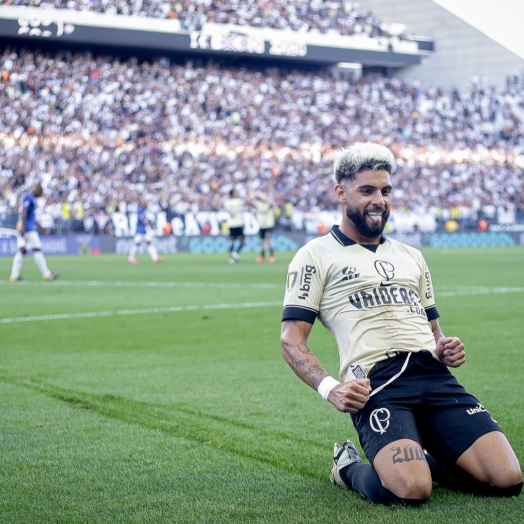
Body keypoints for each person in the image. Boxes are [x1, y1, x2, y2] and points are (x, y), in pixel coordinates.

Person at [280, 142, 522, 506]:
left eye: (385, 190)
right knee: (410, 490)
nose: (379, 200)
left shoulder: (412, 256)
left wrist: (444, 345)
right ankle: (346, 468)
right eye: (367, 191)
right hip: (378, 385)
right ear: (341, 193)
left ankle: (425, 455)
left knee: (507, 479)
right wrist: (331, 388)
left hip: (433, 377)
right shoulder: (315, 255)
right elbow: (290, 338)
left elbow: (434, 330)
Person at [10, 183, 59, 282]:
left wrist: (42, 228)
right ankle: (46, 274)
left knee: (22, 250)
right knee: (37, 249)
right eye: (40, 193)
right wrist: (24, 228)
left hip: (25, 227)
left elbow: (32, 217)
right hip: (28, 229)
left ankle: (14, 276)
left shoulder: (28, 197)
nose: (40, 195)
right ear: (37, 190)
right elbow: (24, 213)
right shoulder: (29, 197)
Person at [128, 198, 163, 264]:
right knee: (136, 244)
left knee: (149, 242)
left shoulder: (143, 210)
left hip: (144, 231)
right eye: (146, 203)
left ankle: (155, 258)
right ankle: (131, 258)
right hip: (140, 230)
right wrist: (150, 225)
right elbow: (143, 220)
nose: (147, 204)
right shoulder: (141, 210)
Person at [224, 188, 245, 264]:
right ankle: (235, 254)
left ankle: (232, 257)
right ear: (232, 194)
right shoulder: (237, 201)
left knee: (232, 241)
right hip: (238, 223)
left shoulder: (226, 202)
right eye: (235, 193)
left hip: (231, 224)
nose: (237, 194)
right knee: (242, 241)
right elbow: (245, 202)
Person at [254, 192, 276, 263]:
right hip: (262, 225)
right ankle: (262, 256)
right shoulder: (259, 204)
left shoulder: (269, 204)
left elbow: (272, 204)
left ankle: (272, 255)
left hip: (268, 225)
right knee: (262, 241)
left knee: (268, 239)